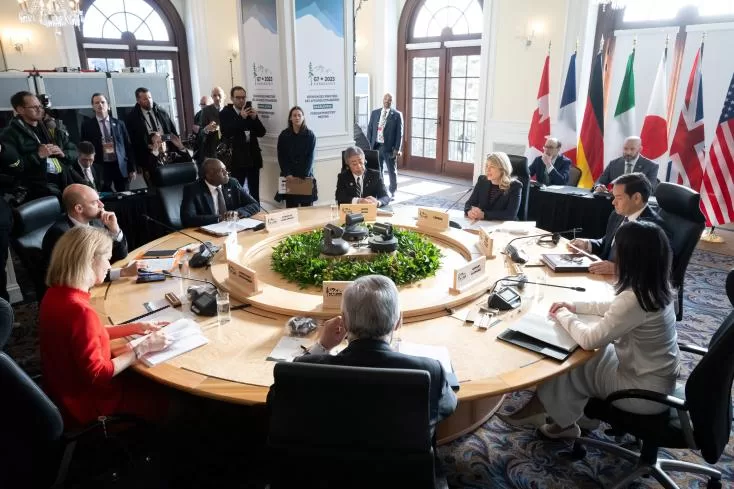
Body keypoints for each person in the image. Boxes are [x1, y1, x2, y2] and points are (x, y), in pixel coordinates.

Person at [500, 221, 680, 439]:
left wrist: (563, 314)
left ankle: (558, 420)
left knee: (570, 360)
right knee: (583, 357)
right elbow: (614, 306)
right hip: (655, 377)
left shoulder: (635, 299)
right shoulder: (657, 286)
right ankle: (569, 418)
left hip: (641, 393)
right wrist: (575, 306)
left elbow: (589, 340)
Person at [283, 275, 457, 432]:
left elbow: (285, 397)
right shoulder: (430, 371)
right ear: (398, 322)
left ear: (344, 322)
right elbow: (447, 407)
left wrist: (322, 346)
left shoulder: (307, 370)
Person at [39, 226, 171, 427]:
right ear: (90, 261)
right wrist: (143, 347)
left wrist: (137, 327)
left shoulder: (54, 295)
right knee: (171, 396)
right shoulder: (80, 311)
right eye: (107, 259)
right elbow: (98, 374)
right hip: (91, 405)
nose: (109, 265)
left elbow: (88, 335)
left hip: (61, 392)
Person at [569, 173, 667, 275]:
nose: (613, 202)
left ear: (636, 198)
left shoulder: (654, 228)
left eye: (619, 198)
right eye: (614, 196)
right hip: (603, 276)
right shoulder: (617, 215)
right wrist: (587, 244)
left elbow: (655, 268)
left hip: (627, 281)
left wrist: (619, 269)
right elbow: (608, 243)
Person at [42, 184, 140, 280]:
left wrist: (115, 230)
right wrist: (123, 272)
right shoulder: (60, 234)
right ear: (79, 208)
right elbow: (77, 275)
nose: (102, 205)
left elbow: (121, 255)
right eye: (94, 202)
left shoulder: (97, 221)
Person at [0, 91, 77, 203]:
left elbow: (74, 150)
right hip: (36, 193)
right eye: (34, 107)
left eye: (40, 106)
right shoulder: (9, 134)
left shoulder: (52, 127)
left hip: (64, 184)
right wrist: (38, 155)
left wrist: (64, 154)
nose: (40, 109)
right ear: (20, 110)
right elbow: (14, 167)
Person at [180, 158, 261, 228]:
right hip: (209, 229)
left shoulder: (232, 183)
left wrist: (237, 213)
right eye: (222, 171)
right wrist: (219, 218)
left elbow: (255, 204)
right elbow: (187, 219)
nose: (226, 173)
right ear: (209, 175)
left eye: (225, 169)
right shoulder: (193, 189)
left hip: (232, 228)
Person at [80, 93, 136, 192]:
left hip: (119, 165)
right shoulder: (87, 125)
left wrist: (132, 168)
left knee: (124, 194)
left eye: (103, 102)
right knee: (105, 195)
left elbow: (127, 146)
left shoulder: (119, 124)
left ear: (108, 105)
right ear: (93, 106)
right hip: (101, 166)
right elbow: (85, 148)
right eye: (96, 103)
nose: (100, 105)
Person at [219, 86, 266, 202]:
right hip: (236, 160)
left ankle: (256, 211)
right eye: (238, 98)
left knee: (254, 192)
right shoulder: (225, 113)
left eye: (243, 97)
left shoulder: (249, 112)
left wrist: (255, 118)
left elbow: (261, 133)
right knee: (237, 192)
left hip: (253, 158)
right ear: (232, 98)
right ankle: (239, 212)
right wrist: (240, 118)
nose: (241, 100)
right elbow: (227, 132)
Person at [125, 87, 178, 174]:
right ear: (138, 101)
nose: (149, 101)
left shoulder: (162, 112)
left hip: (167, 154)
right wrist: (135, 164)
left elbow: (172, 132)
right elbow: (132, 142)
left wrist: (174, 147)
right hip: (148, 158)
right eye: (145, 99)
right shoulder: (132, 118)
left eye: (150, 97)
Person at [277, 106, 317, 208]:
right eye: (294, 115)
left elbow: (310, 158)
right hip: (289, 177)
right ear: (290, 118)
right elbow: (281, 157)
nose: (297, 117)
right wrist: (288, 174)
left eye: (299, 115)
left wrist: (302, 176)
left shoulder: (310, 135)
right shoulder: (284, 135)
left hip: (305, 177)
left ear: (303, 117)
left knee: (307, 210)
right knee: (291, 209)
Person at [464, 152, 523, 221]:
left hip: (503, 225)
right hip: (483, 223)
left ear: (502, 169)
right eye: (486, 166)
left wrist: (484, 215)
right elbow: (469, 203)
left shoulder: (515, 186)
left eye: (492, 166)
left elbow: (510, 215)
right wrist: (469, 211)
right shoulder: (482, 180)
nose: (487, 170)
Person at [366, 93, 403, 197]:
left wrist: (397, 149)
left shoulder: (397, 115)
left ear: (392, 101)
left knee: (392, 171)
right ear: (383, 100)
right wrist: (369, 146)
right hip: (376, 146)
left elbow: (399, 134)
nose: (387, 101)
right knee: (378, 170)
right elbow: (370, 130)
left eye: (389, 100)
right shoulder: (375, 113)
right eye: (385, 99)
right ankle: (381, 190)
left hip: (389, 149)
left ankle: (392, 191)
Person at [594, 136, 658, 192]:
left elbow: (650, 189)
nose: (628, 152)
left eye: (632, 149)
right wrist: (598, 187)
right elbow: (600, 181)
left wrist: (623, 192)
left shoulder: (651, 166)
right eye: (625, 148)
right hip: (613, 200)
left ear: (640, 149)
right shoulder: (613, 164)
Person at [197, 87, 227, 165]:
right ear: (212, 97)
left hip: (227, 150)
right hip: (212, 151)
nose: (217, 98)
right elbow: (200, 132)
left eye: (219, 95)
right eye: (214, 95)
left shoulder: (228, 110)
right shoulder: (206, 111)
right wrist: (206, 129)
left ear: (224, 96)